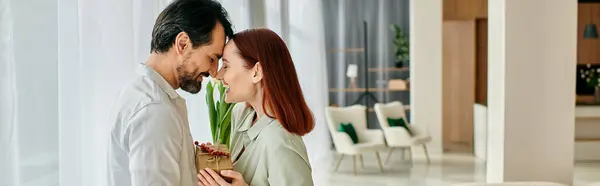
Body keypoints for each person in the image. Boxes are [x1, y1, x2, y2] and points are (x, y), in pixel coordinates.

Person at [107, 0, 233, 185]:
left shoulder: (142, 93)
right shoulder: (154, 110)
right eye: (212, 58)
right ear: (182, 44)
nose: (214, 72)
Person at [197, 28, 315, 186]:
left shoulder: (281, 143)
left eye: (226, 66)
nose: (218, 75)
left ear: (257, 72)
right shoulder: (242, 114)